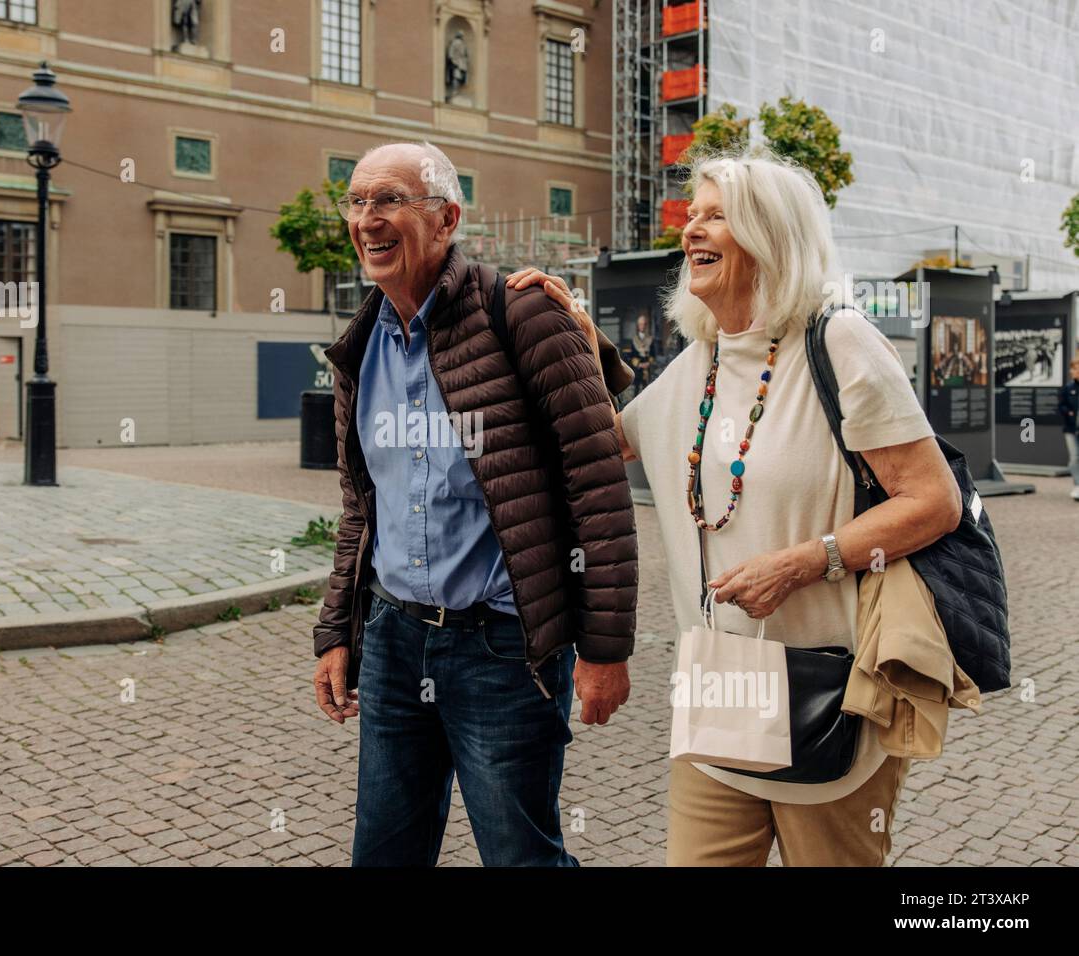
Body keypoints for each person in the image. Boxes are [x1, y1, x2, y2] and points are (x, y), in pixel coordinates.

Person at [508, 149, 962, 866]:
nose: (692, 230)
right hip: (719, 697)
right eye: (693, 215)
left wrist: (808, 560)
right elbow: (603, 439)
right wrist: (572, 328)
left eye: (717, 216)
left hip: (831, 695)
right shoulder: (703, 362)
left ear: (770, 235)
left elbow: (936, 501)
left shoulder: (840, 344)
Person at [311, 141, 639, 866]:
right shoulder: (358, 347)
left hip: (502, 648)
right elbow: (360, 507)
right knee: (384, 854)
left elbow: (599, 492)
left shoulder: (521, 313)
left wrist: (605, 649)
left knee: (522, 855)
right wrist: (336, 629)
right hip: (395, 644)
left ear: (447, 218)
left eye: (390, 199)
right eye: (358, 201)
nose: (369, 218)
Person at [1061, 355, 1079, 500]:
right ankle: (1078, 484)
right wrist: (1068, 411)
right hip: (1071, 429)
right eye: (1072, 368)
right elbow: (1061, 405)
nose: (1072, 371)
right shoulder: (1068, 388)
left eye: (1075, 368)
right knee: (1074, 458)